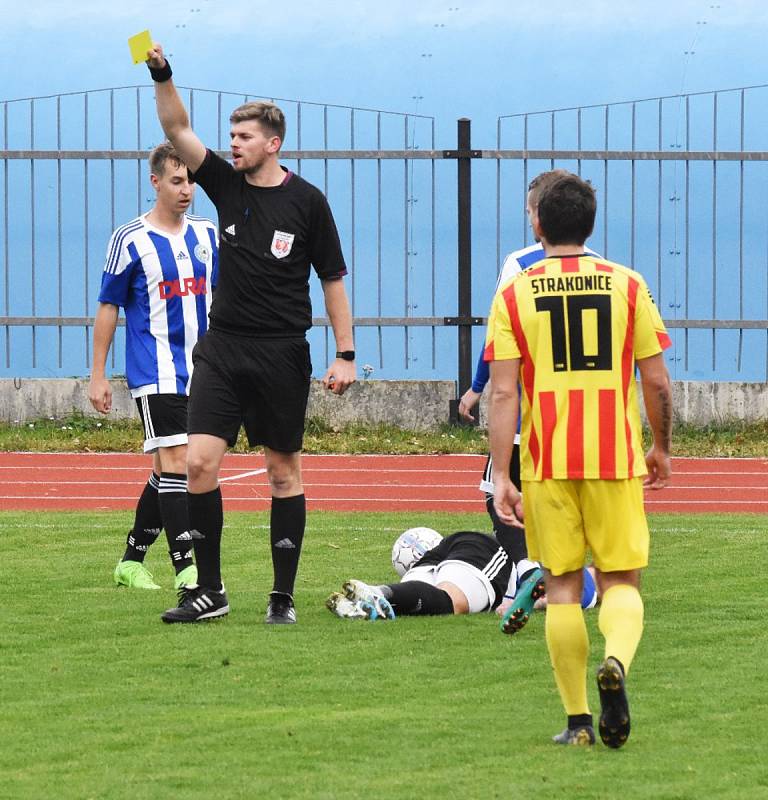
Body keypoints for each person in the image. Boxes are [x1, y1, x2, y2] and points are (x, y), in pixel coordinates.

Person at [145, 44, 356, 625]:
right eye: (232, 135)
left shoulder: (308, 203)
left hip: (282, 354)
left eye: (243, 137)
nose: (232, 144)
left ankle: (281, 597)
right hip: (222, 348)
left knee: (282, 472)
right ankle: (208, 592)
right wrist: (163, 74)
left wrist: (345, 353)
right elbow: (176, 126)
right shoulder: (224, 183)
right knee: (197, 465)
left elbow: (332, 278)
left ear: (273, 144)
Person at [485, 172, 673, 748]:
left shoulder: (515, 293)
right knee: (621, 581)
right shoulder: (628, 285)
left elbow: (501, 392)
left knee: (562, 587)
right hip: (614, 458)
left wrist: (500, 475)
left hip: (546, 463)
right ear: (590, 224)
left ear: (537, 222)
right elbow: (656, 380)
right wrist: (661, 446)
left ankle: (577, 723)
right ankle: (615, 660)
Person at [88, 142, 218, 592]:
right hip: (155, 369)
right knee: (179, 462)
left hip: (204, 370)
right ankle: (188, 571)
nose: (186, 190)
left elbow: (223, 297)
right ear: (155, 181)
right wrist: (98, 375)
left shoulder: (206, 235)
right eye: (177, 181)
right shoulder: (130, 239)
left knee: (170, 470)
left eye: (192, 181)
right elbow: (109, 307)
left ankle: (130, 562)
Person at [326, 530, 597, 621]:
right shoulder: (583, 578)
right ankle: (376, 593)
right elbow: (567, 593)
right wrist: (531, 603)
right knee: (453, 601)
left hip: (443, 551)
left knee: (423, 603)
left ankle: (376, 596)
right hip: (485, 550)